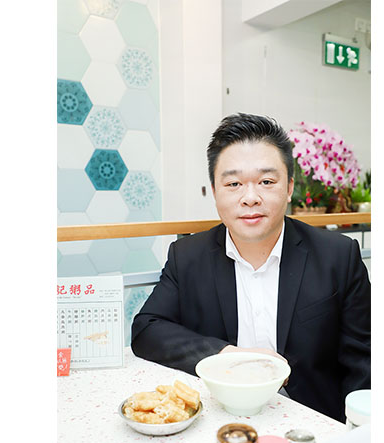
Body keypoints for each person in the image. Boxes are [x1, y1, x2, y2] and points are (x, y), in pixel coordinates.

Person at [131, 113, 370, 423]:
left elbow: (365, 361)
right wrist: (227, 356)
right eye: (233, 184)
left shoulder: (337, 256)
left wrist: (355, 433)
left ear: (289, 187)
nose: (250, 198)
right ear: (214, 191)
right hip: (220, 420)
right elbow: (146, 329)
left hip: (313, 423)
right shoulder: (187, 256)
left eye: (266, 182)